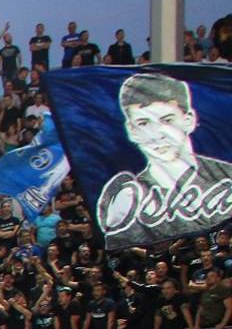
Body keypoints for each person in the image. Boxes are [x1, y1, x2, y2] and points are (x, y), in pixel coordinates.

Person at [94, 71, 232, 250]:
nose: (156, 134)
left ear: (188, 120)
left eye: (167, 120)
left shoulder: (226, 177)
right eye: (143, 123)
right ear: (131, 130)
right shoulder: (128, 198)